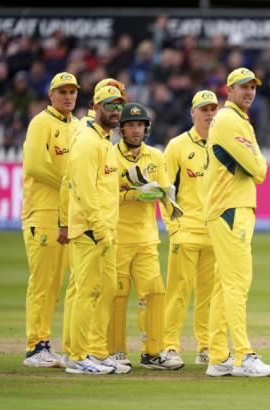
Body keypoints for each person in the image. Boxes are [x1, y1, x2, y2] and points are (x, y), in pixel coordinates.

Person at [202, 68, 270, 377]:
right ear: (229, 89)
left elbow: (257, 164)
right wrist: (257, 159)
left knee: (224, 285)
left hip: (232, 208)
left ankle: (218, 356)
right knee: (237, 283)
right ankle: (243, 356)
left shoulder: (237, 119)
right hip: (229, 208)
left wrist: (256, 159)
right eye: (243, 87)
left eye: (253, 88)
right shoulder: (230, 120)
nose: (249, 92)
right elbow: (259, 169)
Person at [107, 102, 182, 370]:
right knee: (117, 294)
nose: (135, 130)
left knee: (155, 293)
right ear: (122, 129)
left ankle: (153, 353)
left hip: (147, 239)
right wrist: (133, 194)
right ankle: (114, 352)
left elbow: (165, 188)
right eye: (130, 125)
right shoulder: (110, 155)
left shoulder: (155, 156)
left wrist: (168, 200)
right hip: (117, 238)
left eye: (140, 125)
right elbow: (105, 195)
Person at [58, 77, 128, 367]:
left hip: (104, 230)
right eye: (109, 105)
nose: (115, 111)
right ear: (96, 106)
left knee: (106, 289)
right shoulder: (88, 141)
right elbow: (84, 190)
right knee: (88, 291)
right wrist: (98, 228)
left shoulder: (104, 140)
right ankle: (77, 357)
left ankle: (89, 351)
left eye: (119, 106)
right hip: (91, 230)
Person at [22, 72, 79, 367]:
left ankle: (45, 343)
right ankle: (35, 347)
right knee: (43, 282)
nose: (68, 96)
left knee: (58, 283)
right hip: (42, 213)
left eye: (72, 92)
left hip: (68, 215)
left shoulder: (79, 126)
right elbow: (33, 165)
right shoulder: (41, 123)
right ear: (51, 95)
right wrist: (69, 182)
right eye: (63, 91)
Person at [162, 91, 219, 367]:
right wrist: (174, 228)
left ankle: (206, 347)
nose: (209, 114)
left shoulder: (222, 145)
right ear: (192, 113)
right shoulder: (177, 146)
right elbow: (165, 191)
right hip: (186, 233)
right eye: (204, 109)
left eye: (213, 109)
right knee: (178, 293)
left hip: (214, 234)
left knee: (208, 297)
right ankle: (170, 346)